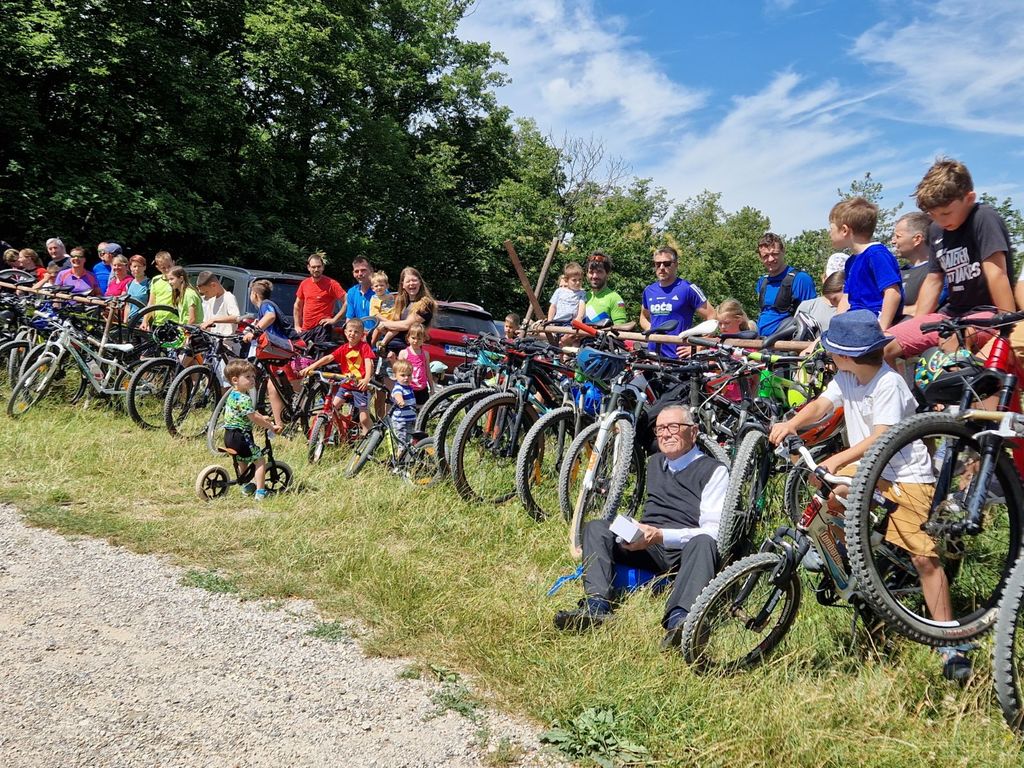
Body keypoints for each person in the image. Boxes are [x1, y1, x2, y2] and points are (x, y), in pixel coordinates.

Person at [768, 310, 967, 680]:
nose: (828, 354)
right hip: (870, 468)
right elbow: (823, 404)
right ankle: (851, 557)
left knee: (924, 558)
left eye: (832, 349)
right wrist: (791, 423)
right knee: (826, 491)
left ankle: (949, 641)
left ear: (846, 354)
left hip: (905, 475)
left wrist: (838, 458)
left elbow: (881, 437)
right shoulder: (848, 376)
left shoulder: (888, 383)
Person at [554, 404, 728, 649]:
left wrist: (660, 536)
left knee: (705, 542)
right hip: (648, 543)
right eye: (660, 429)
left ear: (693, 431)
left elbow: (713, 531)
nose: (665, 434)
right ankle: (597, 607)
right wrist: (635, 530)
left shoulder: (714, 471)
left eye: (673, 427)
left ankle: (680, 622)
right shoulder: (654, 462)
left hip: (685, 551)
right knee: (596, 527)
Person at [885, 158, 1016, 365]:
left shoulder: (983, 217)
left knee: (953, 341)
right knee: (883, 346)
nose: (941, 220)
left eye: (946, 213)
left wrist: (1007, 328)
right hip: (951, 314)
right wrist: (918, 325)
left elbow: (997, 273)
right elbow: (933, 280)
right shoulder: (936, 230)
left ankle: (957, 385)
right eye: (933, 215)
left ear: (969, 198)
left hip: (987, 312)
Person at [830, 197, 904, 330]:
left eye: (831, 228)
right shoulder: (851, 261)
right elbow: (846, 298)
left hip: (873, 321)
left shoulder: (876, 255)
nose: (829, 233)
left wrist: (882, 329)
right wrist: (835, 328)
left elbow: (892, 293)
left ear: (845, 230)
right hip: (856, 320)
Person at [300, 318, 375, 435]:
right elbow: (329, 358)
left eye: (356, 332)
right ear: (345, 332)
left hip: (360, 386)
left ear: (362, 335)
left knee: (364, 418)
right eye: (350, 331)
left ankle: (369, 437)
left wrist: (366, 379)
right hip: (345, 385)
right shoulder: (344, 348)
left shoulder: (364, 347)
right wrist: (312, 367)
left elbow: (368, 362)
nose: (352, 334)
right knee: (332, 409)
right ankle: (334, 433)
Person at [222, 359, 282, 502]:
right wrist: (271, 426)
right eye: (248, 377)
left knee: (242, 459)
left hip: (229, 435)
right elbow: (253, 417)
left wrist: (262, 417)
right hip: (242, 436)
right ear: (235, 380)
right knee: (259, 460)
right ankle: (260, 492)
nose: (252, 380)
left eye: (253, 376)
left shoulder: (233, 394)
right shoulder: (244, 398)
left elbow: (250, 413)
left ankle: (246, 485)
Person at [641, 246, 716, 357]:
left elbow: (712, 317)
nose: (661, 267)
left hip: (678, 356)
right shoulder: (649, 290)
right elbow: (643, 317)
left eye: (667, 264)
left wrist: (699, 346)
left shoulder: (688, 288)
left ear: (676, 264)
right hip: (653, 355)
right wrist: (651, 330)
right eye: (658, 264)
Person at [242, 279, 294, 429]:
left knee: (284, 388)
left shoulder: (266, 304)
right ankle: (279, 425)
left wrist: (254, 332)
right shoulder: (263, 308)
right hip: (278, 351)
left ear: (254, 294)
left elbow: (270, 316)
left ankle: (284, 424)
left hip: (286, 350)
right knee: (273, 386)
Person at [754, 233, 817, 336]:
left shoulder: (801, 279)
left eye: (775, 254)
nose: (770, 259)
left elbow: (812, 317)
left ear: (783, 251)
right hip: (762, 341)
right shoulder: (762, 282)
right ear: (760, 257)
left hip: (788, 342)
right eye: (765, 256)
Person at [376, 267, 437, 352]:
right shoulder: (401, 302)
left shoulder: (426, 304)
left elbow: (406, 325)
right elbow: (395, 327)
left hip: (407, 352)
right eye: (408, 281)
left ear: (420, 282)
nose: (411, 283)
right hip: (389, 350)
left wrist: (384, 324)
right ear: (403, 285)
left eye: (414, 280)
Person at [892, 212, 941, 317]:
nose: (893, 241)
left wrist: (889, 311)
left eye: (898, 236)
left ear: (917, 239)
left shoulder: (938, 273)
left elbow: (923, 308)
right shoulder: (898, 272)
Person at [294, 251, 345, 335]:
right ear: (308, 267)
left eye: (319, 267)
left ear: (323, 267)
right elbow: (297, 305)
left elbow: (348, 301)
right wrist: (297, 325)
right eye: (313, 267)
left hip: (322, 329)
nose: (316, 269)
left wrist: (335, 320)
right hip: (305, 329)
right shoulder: (304, 283)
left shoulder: (332, 284)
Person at [582, 252, 628, 327]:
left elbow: (620, 329)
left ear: (608, 274)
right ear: (586, 274)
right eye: (591, 272)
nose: (594, 276)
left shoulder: (615, 298)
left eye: (599, 272)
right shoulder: (583, 297)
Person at [796, 269, 845, 334]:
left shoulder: (855, 311)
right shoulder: (808, 306)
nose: (832, 303)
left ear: (844, 289)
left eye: (834, 299)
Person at [399, 323, 434, 405]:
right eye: (413, 338)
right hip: (408, 387)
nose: (415, 341)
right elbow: (399, 371)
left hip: (422, 388)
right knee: (408, 408)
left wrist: (432, 387)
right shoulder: (404, 353)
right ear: (408, 337)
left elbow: (428, 371)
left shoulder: (425, 354)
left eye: (419, 339)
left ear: (423, 339)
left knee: (422, 409)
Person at [196, 271, 241, 338]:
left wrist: (214, 320)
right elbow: (208, 324)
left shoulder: (228, 297)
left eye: (206, 291)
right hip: (213, 340)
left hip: (226, 342)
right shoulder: (211, 300)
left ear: (213, 285)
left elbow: (236, 318)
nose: (205, 295)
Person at [142, 251, 176, 328]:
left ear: (173, 263)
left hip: (175, 322)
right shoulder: (155, 280)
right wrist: (145, 321)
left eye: (169, 266)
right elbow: (151, 302)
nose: (167, 270)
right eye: (163, 268)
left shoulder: (179, 280)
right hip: (158, 322)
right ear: (158, 268)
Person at [389, 359, 418, 449]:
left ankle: (407, 455)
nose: (406, 378)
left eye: (409, 375)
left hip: (411, 419)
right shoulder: (398, 387)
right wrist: (400, 400)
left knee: (411, 441)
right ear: (395, 376)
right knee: (402, 444)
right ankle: (400, 456)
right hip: (401, 421)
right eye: (402, 375)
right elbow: (397, 394)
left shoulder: (409, 388)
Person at [344, 256, 375, 328]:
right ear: (353, 273)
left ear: (371, 270)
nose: (360, 274)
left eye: (363, 270)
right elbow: (349, 319)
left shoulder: (380, 291)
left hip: (378, 333)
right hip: (358, 333)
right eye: (356, 271)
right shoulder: (352, 292)